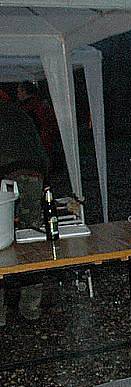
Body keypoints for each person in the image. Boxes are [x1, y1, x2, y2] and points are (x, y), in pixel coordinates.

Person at [0, 91, 49, 324]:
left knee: (0, 243)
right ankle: (30, 307)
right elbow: (40, 145)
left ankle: (1, 314)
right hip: (33, 173)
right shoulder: (19, 112)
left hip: (7, 178)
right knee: (33, 241)